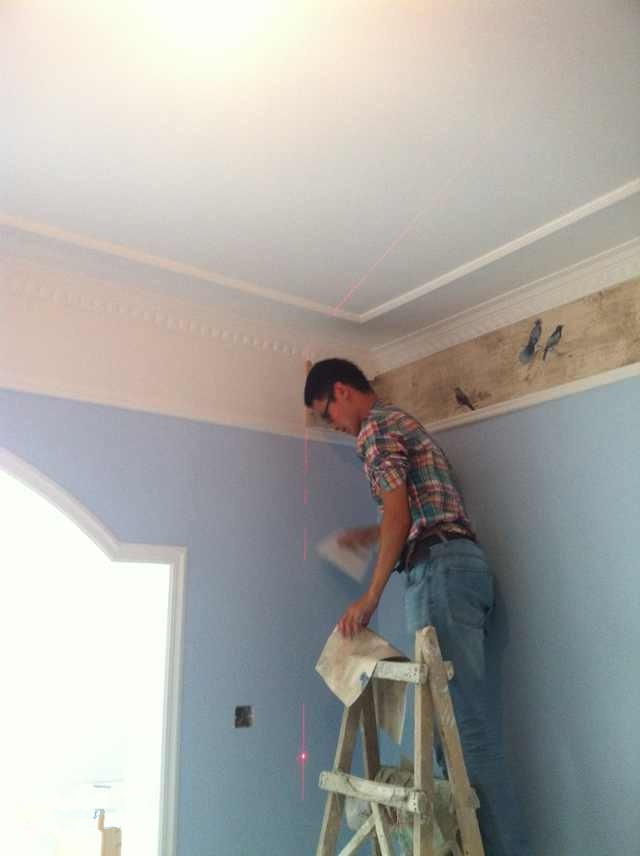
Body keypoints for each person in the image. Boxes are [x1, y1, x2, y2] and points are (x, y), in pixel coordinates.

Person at [304, 358, 530, 856]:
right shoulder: (401, 421)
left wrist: (370, 596)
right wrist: (370, 534)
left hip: (440, 573)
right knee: (459, 741)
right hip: (464, 568)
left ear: (342, 391)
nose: (334, 426)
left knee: (465, 741)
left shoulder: (373, 430)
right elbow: (412, 510)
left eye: (327, 413)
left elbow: (402, 516)